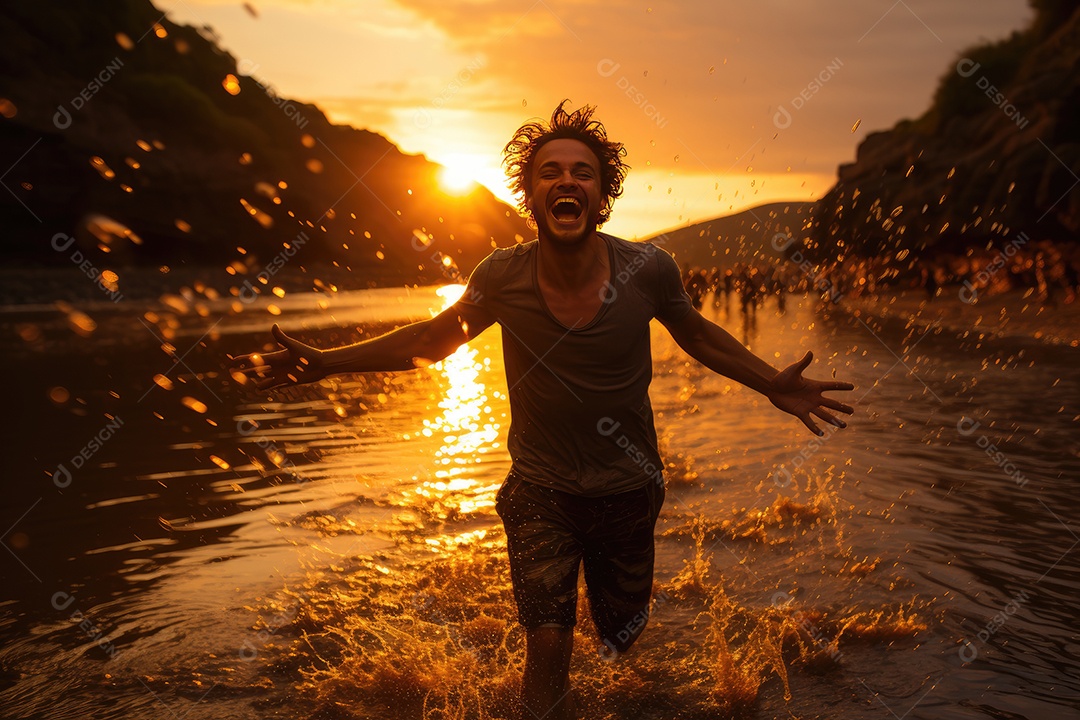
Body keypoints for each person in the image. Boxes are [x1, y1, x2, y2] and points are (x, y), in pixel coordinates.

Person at [232, 100, 854, 720]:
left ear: (601, 193)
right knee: (548, 644)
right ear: (530, 193)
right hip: (539, 490)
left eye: (582, 172)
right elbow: (430, 340)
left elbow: (698, 335)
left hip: (629, 488)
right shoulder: (501, 276)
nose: (566, 181)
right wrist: (327, 360)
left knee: (621, 633)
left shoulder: (646, 269)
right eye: (549, 171)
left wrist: (772, 382)